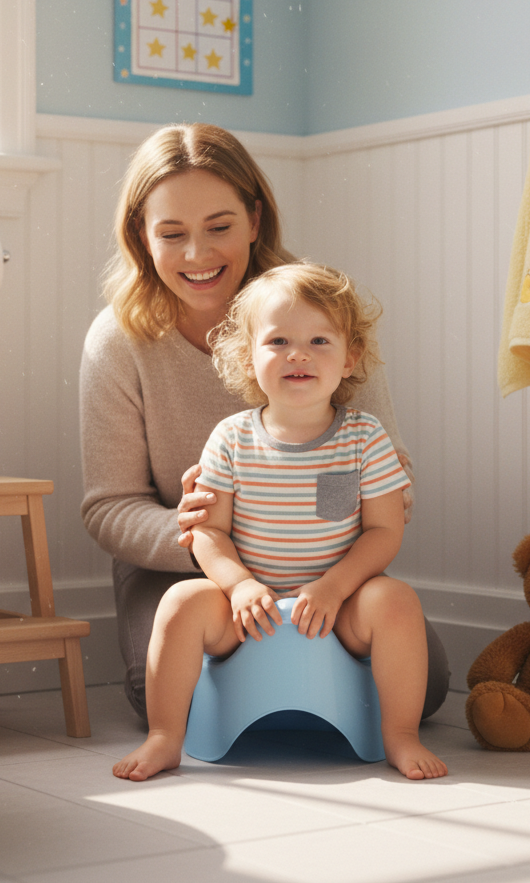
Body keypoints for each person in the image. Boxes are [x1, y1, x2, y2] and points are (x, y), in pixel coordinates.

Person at [78, 123, 448, 722]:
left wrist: (315, 554)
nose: (198, 255)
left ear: (255, 219)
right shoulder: (119, 342)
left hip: (322, 565)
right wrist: (212, 541)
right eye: (172, 234)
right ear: (142, 238)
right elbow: (109, 506)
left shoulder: (322, 314)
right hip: (190, 567)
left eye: (219, 227)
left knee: (420, 687)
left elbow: (383, 474)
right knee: (175, 696)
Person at [113, 263, 448, 781]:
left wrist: (335, 588)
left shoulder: (363, 438)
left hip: (340, 606)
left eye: (319, 340)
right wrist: (240, 585)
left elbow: (384, 531)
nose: (299, 354)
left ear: (350, 356)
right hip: (248, 607)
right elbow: (209, 531)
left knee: (397, 601)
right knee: (180, 601)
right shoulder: (231, 438)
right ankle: (165, 736)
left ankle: (401, 734)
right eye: (278, 342)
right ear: (248, 359)